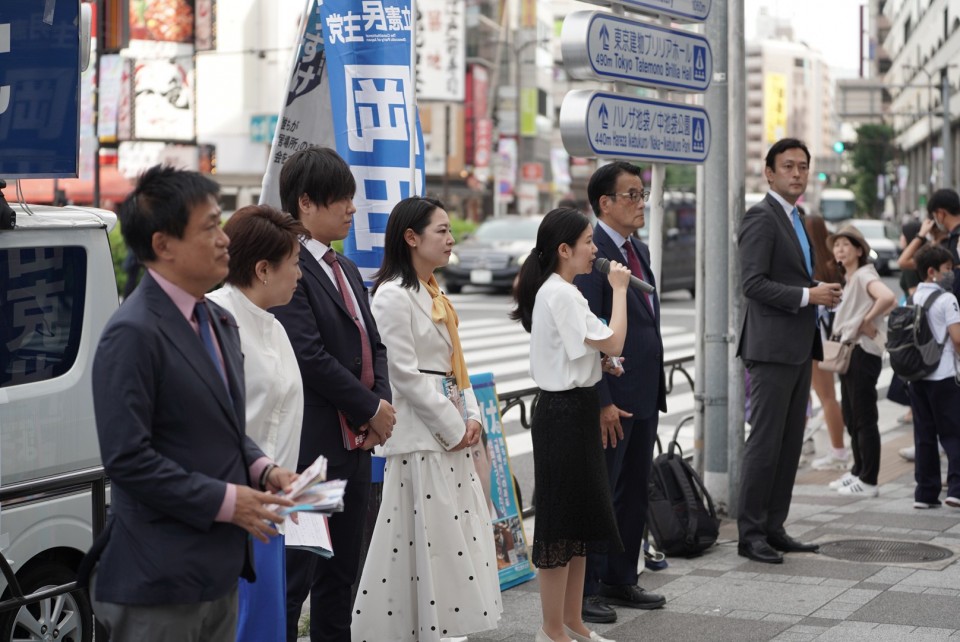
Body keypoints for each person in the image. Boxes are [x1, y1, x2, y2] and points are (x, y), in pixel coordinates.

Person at [82, 165, 297, 641]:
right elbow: (128, 460)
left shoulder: (217, 321)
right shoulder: (132, 333)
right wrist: (227, 500)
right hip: (158, 576)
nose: (224, 239)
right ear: (163, 245)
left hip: (217, 569)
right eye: (209, 227)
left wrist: (262, 469)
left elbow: (221, 427)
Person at [351, 196, 502, 641]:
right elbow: (404, 376)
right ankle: (415, 630)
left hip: (448, 432)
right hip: (421, 438)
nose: (451, 239)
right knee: (423, 540)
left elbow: (458, 364)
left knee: (450, 540)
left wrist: (471, 416)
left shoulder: (435, 291)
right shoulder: (393, 296)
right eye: (442, 230)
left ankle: (444, 627)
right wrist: (454, 426)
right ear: (411, 238)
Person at [272, 146, 396, 642]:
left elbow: (374, 344)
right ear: (306, 202)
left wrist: (379, 406)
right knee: (297, 576)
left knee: (342, 575)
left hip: (353, 446)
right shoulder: (288, 264)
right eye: (341, 199)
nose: (352, 209)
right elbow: (309, 356)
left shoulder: (343, 268)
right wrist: (369, 408)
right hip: (311, 453)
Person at [511, 207, 631, 642]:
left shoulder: (565, 291)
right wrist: (619, 290)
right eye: (587, 242)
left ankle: (572, 622)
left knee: (579, 524)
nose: (595, 250)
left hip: (575, 409)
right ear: (564, 250)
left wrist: (601, 362)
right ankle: (550, 630)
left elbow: (588, 346)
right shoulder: (559, 292)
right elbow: (614, 337)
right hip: (562, 414)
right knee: (560, 526)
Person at [736, 138, 843, 564]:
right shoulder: (761, 217)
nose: (796, 174)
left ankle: (774, 526)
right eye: (788, 166)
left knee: (789, 443)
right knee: (764, 443)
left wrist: (818, 293)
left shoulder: (796, 216)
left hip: (799, 346)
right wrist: (807, 296)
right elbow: (752, 284)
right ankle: (750, 534)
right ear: (769, 172)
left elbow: (796, 277)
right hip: (770, 348)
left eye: (802, 167)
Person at [207, 205, 309, 642]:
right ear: (264, 269)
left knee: (265, 624)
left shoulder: (273, 324)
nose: (300, 275)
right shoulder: (212, 318)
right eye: (295, 264)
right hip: (230, 510)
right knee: (237, 625)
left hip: (271, 511)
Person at [573, 161, 666, 624]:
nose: (640, 202)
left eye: (642, 193)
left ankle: (620, 577)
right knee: (601, 489)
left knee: (633, 490)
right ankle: (585, 589)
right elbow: (590, 334)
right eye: (631, 194)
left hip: (645, 389)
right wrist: (603, 399)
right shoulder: (591, 255)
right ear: (604, 203)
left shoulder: (637, 249)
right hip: (613, 394)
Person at [824, 225, 896, 496]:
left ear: (859, 250)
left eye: (846, 244)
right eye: (837, 244)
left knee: (864, 417)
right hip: (850, 352)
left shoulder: (865, 274)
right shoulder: (851, 278)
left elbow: (887, 297)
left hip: (862, 352)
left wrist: (866, 321)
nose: (840, 249)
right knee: (852, 414)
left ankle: (869, 480)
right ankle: (858, 471)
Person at [907, 244, 960, 509]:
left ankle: (925, 494)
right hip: (944, 376)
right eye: (948, 269)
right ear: (932, 271)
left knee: (924, 435)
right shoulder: (947, 299)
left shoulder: (913, 297)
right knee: (954, 433)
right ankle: (956, 490)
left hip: (918, 377)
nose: (951, 274)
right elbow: (957, 338)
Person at [803, 214, 849, 472]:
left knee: (824, 397)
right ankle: (826, 446)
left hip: (815, 339)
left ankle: (838, 451)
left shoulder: (810, 264)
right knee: (827, 396)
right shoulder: (834, 265)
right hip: (831, 340)